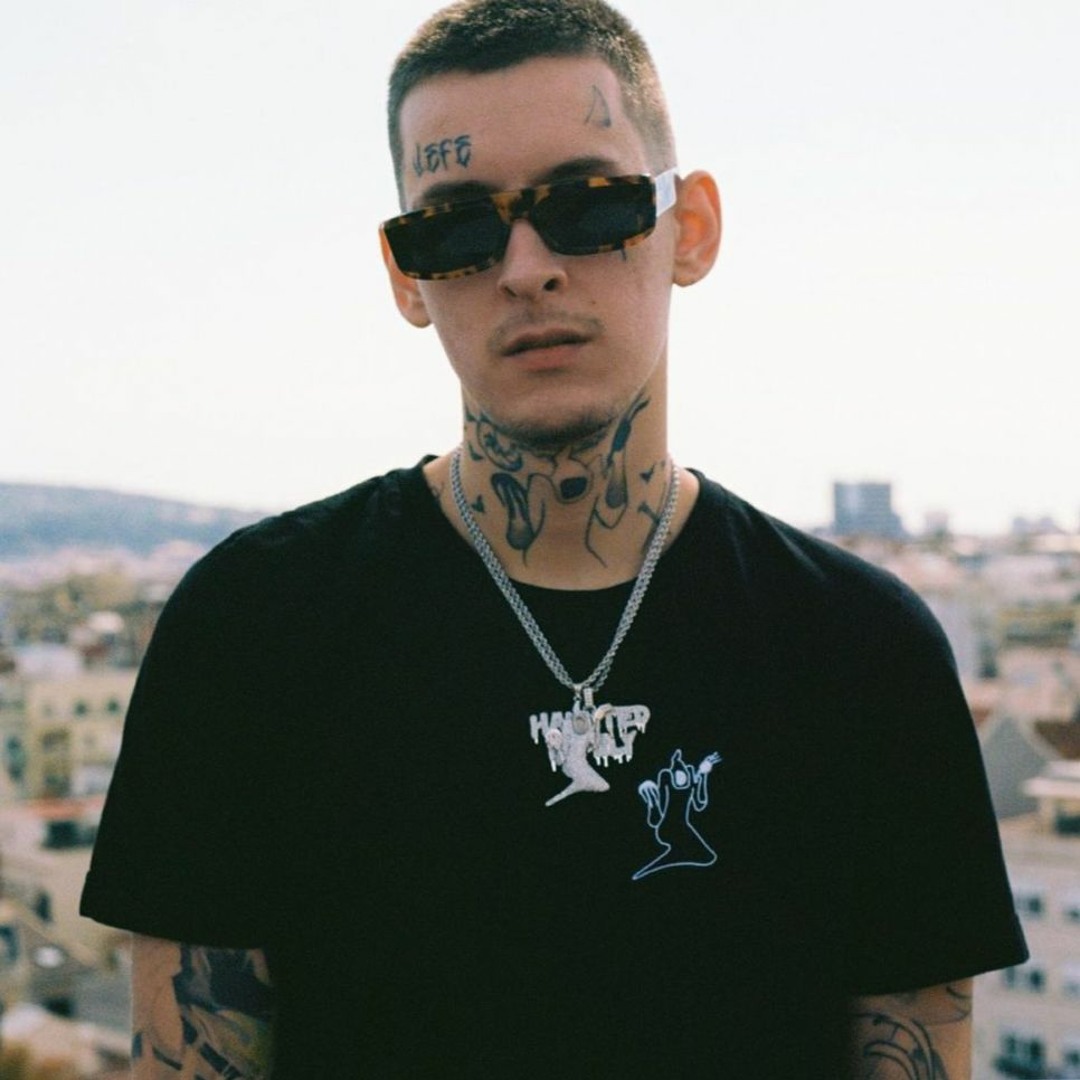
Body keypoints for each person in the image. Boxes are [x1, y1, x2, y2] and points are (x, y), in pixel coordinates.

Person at [80, 1, 1027, 1076]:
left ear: (691, 228)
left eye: (588, 204)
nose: (525, 267)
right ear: (406, 275)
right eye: (457, 227)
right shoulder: (251, 629)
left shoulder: (861, 650)